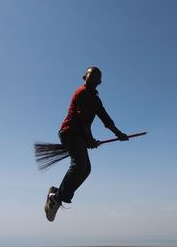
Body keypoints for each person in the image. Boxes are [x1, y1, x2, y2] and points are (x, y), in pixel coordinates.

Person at [44, 66, 128, 222]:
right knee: (79, 165)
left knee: (86, 169)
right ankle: (56, 197)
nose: (95, 77)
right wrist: (89, 140)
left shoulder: (95, 99)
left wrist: (119, 134)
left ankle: (57, 194)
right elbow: (83, 123)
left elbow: (106, 120)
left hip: (78, 136)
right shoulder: (82, 93)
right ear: (85, 77)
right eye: (92, 74)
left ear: (100, 81)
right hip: (70, 133)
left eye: (97, 76)